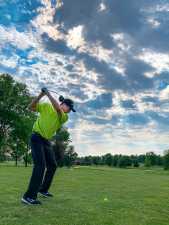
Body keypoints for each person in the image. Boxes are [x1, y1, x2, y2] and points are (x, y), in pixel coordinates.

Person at [21, 88, 76, 205]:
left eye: (71, 110)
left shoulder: (64, 117)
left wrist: (48, 94)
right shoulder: (46, 106)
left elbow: (57, 108)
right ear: (63, 104)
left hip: (46, 141)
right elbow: (30, 107)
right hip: (36, 137)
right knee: (40, 166)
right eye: (69, 108)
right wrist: (41, 95)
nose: (70, 111)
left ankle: (43, 189)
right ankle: (28, 197)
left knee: (52, 165)